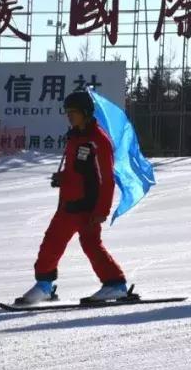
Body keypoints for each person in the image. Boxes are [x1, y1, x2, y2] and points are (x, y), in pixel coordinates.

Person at [18, 91, 128, 304]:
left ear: (85, 113)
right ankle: (45, 286)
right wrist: (63, 178)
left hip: (87, 208)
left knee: (85, 245)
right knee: (54, 244)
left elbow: (107, 179)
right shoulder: (75, 137)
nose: (69, 116)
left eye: (73, 112)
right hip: (69, 204)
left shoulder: (98, 141)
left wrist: (102, 211)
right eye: (67, 112)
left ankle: (114, 285)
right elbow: (78, 171)